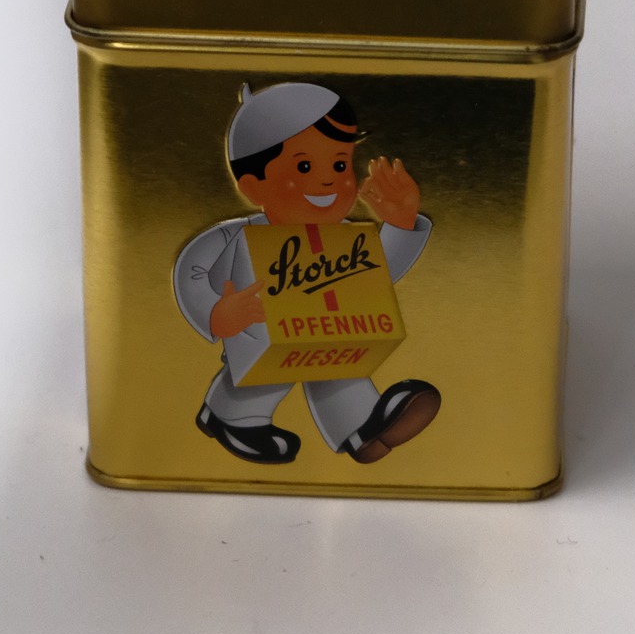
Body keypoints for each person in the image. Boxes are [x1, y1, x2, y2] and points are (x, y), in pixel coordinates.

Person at [172, 81, 440, 465]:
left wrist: (400, 223)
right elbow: (191, 270)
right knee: (267, 368)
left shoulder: (343, 237)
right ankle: (230, 417)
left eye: (340, 165)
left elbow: (375, 274)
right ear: (252, 186)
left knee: (341, 362)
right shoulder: (236, 235)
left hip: (329, 328)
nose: (329, 179)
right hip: (258, 328)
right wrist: (215, 313)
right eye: (304, 166)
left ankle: (363, 428)